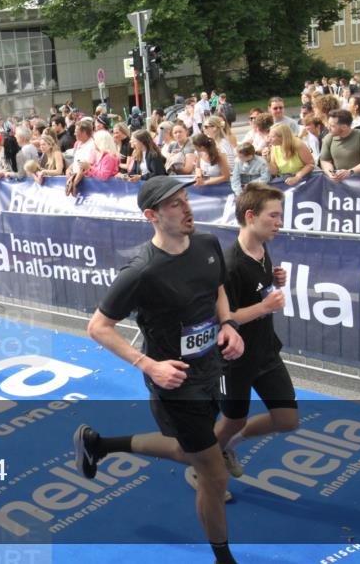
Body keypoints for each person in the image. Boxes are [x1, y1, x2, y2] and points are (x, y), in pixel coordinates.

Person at [75, 176, 244, 564]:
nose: (187, 209)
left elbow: (217, 289)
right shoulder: (141, 272)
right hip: (175, 385)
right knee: (213, 474)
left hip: (212, 369)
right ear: (151, 216)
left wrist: (229, 325)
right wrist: (149, 365)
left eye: (187, 200)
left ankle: (100, 445)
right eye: (175, 205)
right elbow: (97, 327)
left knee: (194, 453)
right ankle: (224, 558)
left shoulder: (207, 244)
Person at [212, 183, 298, 486]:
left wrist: (274, 281)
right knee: (234, 419)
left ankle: (226, 449)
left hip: (266, 352)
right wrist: (264, 306)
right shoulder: (230, 264)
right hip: (236, 360)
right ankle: (203, 465)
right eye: (273, 216)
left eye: (280, 216)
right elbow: (226, 318)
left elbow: (259, 292)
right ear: (251, 216)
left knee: (287, 419)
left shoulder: (262, 249)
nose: (280, 223)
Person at [320, 109, 360, 180]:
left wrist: (350, 172)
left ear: (344, 127)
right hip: (339, 182)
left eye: (332, 126)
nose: (328, 128)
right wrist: (330, 172)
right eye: (328, 124)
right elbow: (325, 160)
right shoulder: (328, 138)